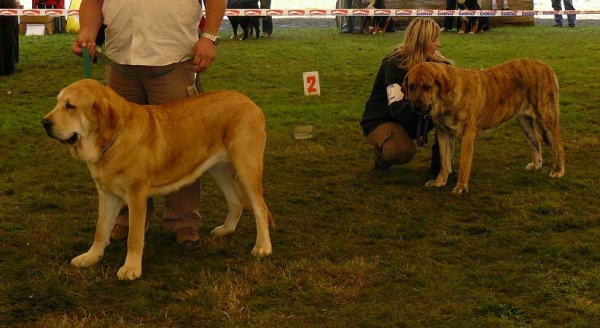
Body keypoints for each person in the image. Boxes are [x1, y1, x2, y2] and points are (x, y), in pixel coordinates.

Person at [71, 0, 226, 251]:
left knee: (181, 145)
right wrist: (87, 32)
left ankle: (183, 219)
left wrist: (209, 37)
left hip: (172, 58)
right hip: (121, 59)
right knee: (115, 142)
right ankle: (126, 216)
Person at [360, 18, 454, 173]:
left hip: (415, 114)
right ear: (421, 41)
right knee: (401, 151)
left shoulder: (437, 64)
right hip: (384, 118)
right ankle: (382, 152)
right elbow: (396, 108)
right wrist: (428, 107)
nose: (438, 44)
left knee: (447, 114)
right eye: (434, 40)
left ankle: (441, 166)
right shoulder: (394, 64)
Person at [0, 0, 21, 76]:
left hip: (9, 6)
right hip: (9, 5)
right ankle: (9, 67)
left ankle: (6, 67)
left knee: (8, 36)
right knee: (9, 37)